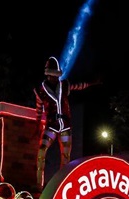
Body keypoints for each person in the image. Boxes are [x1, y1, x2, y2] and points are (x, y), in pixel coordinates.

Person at [34, 56, 99, 189]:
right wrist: (37, 125)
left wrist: (92, 84)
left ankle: (61, 183)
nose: (56, 78)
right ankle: (38, 184)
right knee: (41, 151)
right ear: (49, 75)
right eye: (54, 76)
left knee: (66, 155)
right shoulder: (41, 91)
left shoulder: (64, 85)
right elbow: (39, 109)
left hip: (65, 125)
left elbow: (79, 86)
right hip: (51, 126)